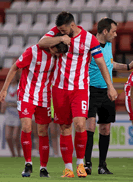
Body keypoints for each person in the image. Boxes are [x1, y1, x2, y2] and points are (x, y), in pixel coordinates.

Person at [38, 12, 118, 178]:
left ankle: (81, 164)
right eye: (59, 30)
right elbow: (41, 43)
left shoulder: (89, 39)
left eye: (63, 29)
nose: (61, 31)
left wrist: (110, 86)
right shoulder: (58, 33)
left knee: (80, 124)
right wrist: (59, 39)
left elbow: (101, 62)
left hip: (80, 88)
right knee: (65, 127)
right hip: (59, 88)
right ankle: (68, 168)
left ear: (72, 25)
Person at [0, 38, 68, 178]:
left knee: (43, 130)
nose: (57, 55)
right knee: (26, 127)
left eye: (60, 53)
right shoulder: (32, 51)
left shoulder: (58, 57)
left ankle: (43, 167)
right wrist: (4, 89)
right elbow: (14, 67)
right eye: (56, 51)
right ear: (52, 45)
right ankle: (28, 163)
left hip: (45, 97)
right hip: (26, 95)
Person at [84, 18, 133, 175]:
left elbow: (109, 64)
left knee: (105, 128)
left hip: (107, 90)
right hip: (91, 90)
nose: (116, 34)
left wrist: (127, 67)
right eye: (113, 31)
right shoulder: (89, 45)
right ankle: (87, 164)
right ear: (105, 32)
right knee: (90, 127)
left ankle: (102, 165)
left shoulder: (109, 45)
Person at [0, 74, 21, 157]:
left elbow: (21, 101)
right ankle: (13, 154)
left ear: (16, 78)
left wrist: (12, 104)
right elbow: (3, 99)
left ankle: (19, 154)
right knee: (8, 137)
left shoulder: (19, 87)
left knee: (15, 137)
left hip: (17, 114)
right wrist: (3, 107)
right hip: (8, 114)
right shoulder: (7, 87)